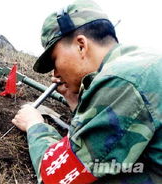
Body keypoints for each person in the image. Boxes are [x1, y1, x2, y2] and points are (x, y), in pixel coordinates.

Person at [12, 0, 162, 183]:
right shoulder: (138, 62)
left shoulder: (120, 81)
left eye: (55, 60)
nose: (56, 73)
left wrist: (34, 125)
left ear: (81, 45)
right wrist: (76, 102)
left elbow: (58, 176)